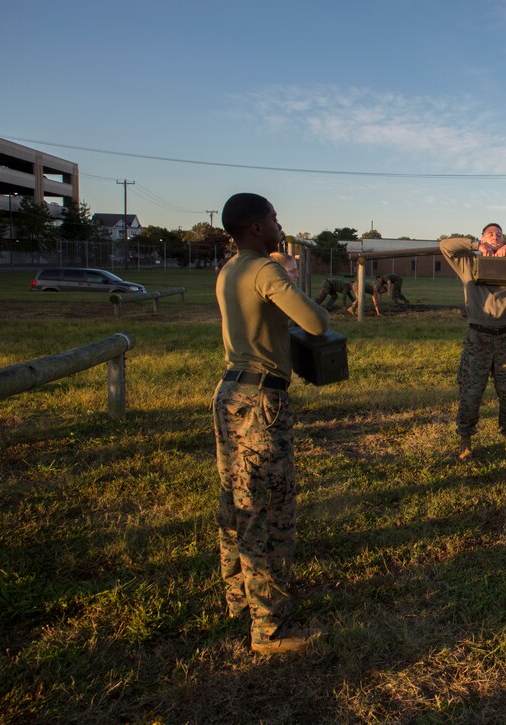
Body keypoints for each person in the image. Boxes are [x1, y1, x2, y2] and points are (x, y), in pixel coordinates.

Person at [213, 193, 330, 655]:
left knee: (234, 501)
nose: (280, 224)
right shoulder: (265, 270)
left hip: (229, 394)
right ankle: (269, 629)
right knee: (267, 509)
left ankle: (237, 599)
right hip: (261, 401)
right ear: (257, 228)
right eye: (274, 218)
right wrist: (290, 279)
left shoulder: (230, 268)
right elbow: (316, 323)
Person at [440, 223, 506, 461]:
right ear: (482, 238)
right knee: (470, 393)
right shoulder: (468, 264)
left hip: (505, 340)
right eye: (490, 234)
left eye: (499, 235)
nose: (495, 237)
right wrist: (477, 246)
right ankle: (465, 443)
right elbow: (445, 245)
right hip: (477, 338)